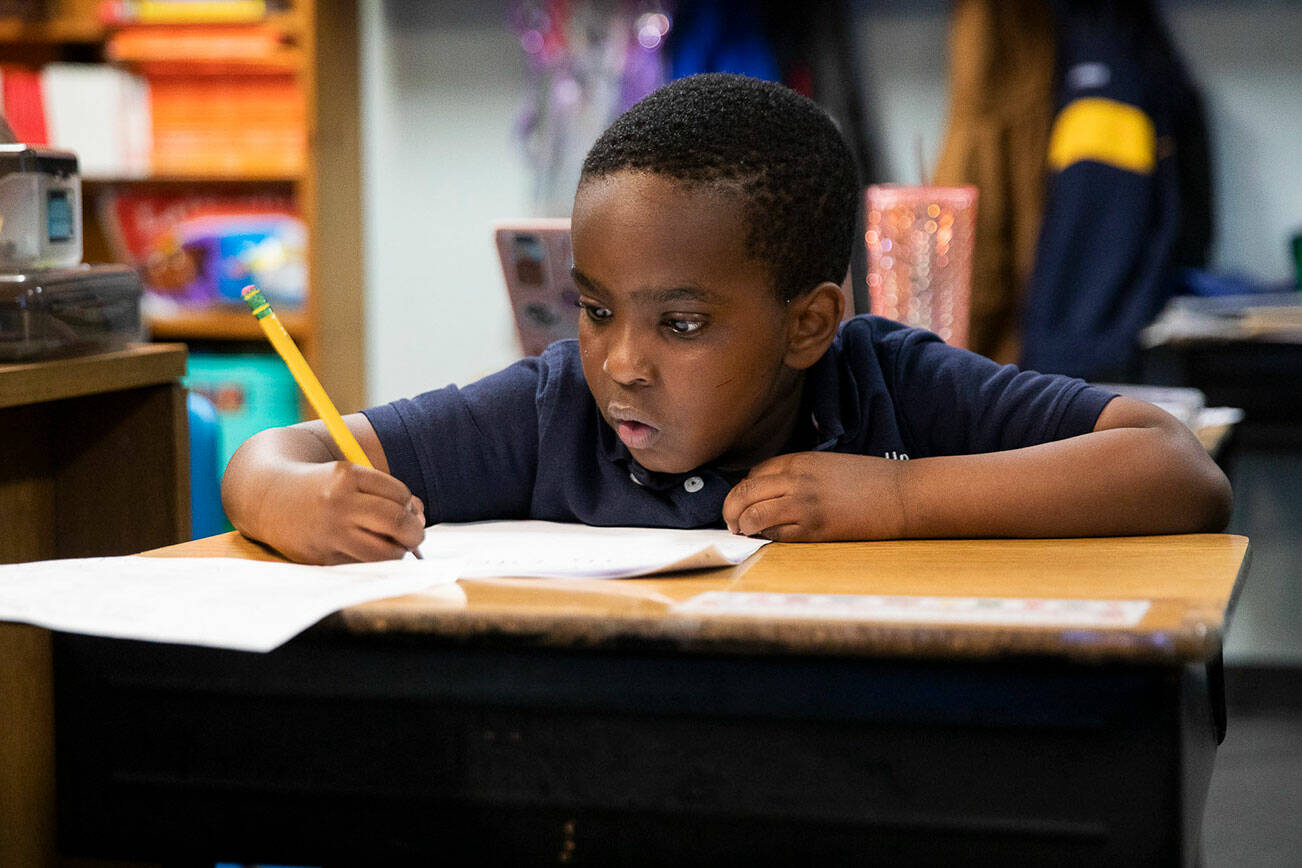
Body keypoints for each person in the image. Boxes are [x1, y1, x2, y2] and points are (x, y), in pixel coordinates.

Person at [221, 73, 1231, 565]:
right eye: (596, 308)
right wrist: (292, 502)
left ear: (808, 324)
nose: (621, 363)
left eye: (683, 325)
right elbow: (276, 452)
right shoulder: (552, 406)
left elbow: (1176, 469)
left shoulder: (882, 381)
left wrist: (899, 500)